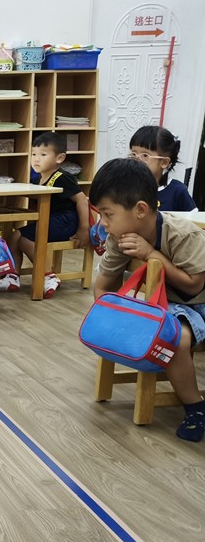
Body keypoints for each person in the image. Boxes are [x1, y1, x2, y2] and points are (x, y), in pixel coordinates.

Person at [91, 158, 205, 441]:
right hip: (160, 307)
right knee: (162, 328)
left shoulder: (184, 235)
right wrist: (115, 320)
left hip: (197, 305)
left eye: (108, 214)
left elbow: (194, 286)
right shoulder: (119, 238)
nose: (103, 224)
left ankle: (195, 407)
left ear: (140, 209)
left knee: (175, 338)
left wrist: (151, 255)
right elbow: (102, 287)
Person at [0, 131, 90, 297]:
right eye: (33, 154)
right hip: (50, 220)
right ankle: (12, 276)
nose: (36, 159)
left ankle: (48, 275)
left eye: (43, 155)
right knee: (14, 236)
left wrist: (84, 228)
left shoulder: (63, 177)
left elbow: (82, 200)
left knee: (24, 239)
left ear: (59, 158)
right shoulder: (37, 180)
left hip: (66, 222)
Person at [129, 125, 198, 212]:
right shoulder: (126, 187)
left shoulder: (177, 191)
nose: (137, 160)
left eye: (145, 155)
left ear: (164, 162)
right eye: (133, 154)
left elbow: (193, 219)